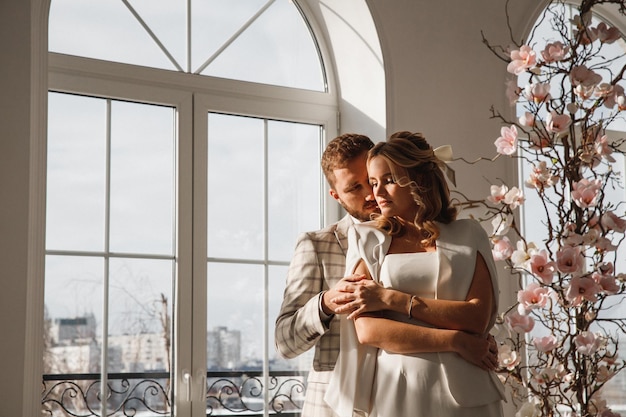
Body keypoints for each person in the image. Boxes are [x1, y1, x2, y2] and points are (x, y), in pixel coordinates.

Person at [275, 133, 500, 417]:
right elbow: (286, 342)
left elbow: (476, 313)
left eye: (377, 179)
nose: (372, 194)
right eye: (357, 187)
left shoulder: (462, 234)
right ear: (336, 195)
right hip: (343, 401)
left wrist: (468, 336)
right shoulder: (319, 244)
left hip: (445, 389)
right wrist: (327, 302)